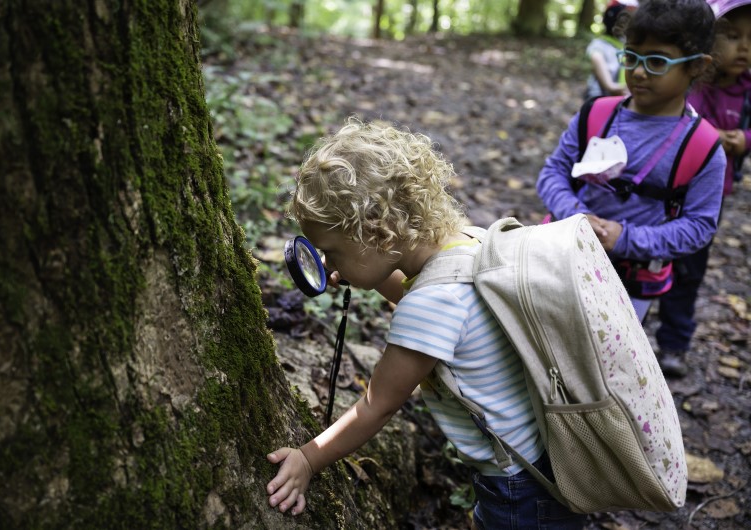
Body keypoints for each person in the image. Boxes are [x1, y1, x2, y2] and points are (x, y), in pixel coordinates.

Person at [266, 118, 587, 529]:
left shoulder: (431, 304)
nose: (328, 264)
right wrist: (370, 272)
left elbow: (375, 405)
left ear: (378, 234)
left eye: (332, 252)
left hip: (519, 488)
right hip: (547, 454)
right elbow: (434, 304)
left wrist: (308, 459)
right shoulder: (470, 243)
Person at [536, 0, 726, 324]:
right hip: (562, 257)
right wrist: (576, 216)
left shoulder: (704, 147)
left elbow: (699, 226)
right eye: (632, 56)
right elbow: (552, 173)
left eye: (657, 61)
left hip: (632, 283)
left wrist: (624, 238)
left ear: (697, 66)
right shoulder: (594, 114)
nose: (638, 71)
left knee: (601, 364)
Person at [655, 0, 751, 377]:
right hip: (665, 190)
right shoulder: (690, 81)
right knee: (648, 258)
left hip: (709, 198)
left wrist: (743, 139)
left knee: (690, 268)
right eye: (732, 36)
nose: (744, 47)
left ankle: (674, 344)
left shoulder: (747, 89)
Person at [584, 0, 638, 100]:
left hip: (622, 98)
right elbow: (609, 85)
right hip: (599, 99)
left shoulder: (628, 46)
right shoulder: (598, 46)